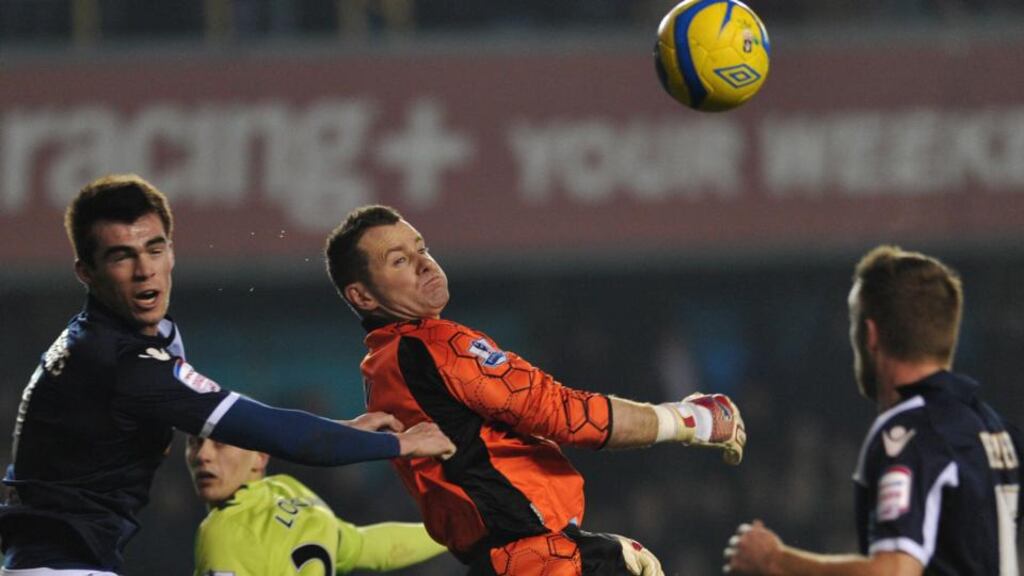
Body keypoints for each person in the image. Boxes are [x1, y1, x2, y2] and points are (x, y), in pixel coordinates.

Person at [0, 175, 455, 576]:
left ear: (171, 252)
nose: (144, 270)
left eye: (154, 249)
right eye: (121, 257)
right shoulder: (121, 363)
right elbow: (265, 431)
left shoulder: (130, 337)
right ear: (87, 272)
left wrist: (344, 430)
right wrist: (401, 443)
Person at [323, 204, 748, 576]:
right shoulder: (434, 345)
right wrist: (693, 420)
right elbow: (565, 414)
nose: (424, 264)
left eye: (423, 248)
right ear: (361, 295)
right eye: (399, 261)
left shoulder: (383, 367)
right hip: (538, 560)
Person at [724, 245, 1021, 575]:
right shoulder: (993, 428)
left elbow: (893, 572)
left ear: (870, 334)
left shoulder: (910, 431)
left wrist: (773, 560)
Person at [185, 435, 449, 575]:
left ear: (260, 457)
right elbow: (366, 547)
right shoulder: (290, 492)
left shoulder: (222, 531)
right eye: (194, 442)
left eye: (220, 443)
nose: (202, 455)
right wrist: (452, 530)